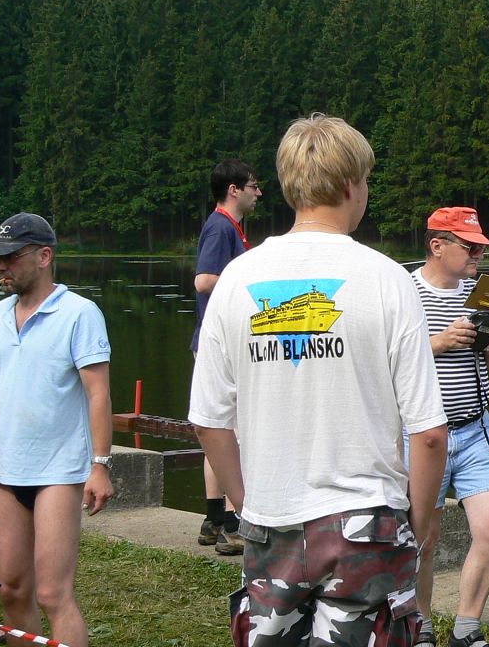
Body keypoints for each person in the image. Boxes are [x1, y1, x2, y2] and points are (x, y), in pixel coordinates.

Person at [189, 113, 448, 647]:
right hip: (368, 523)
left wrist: (248, 504)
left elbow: (209, 421)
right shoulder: (388, 279)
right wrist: (416, 529)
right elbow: (428, 433)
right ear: (351, 184)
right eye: (367, 180)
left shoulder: (237, 279)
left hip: (270, 519)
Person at [0, 213, 113, 647]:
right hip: (8, 472)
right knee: (12, 590)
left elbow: (98, 394)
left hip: (58, 472)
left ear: (44, 256)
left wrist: (100, 465)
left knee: (53, 594)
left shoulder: (79, 313)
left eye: (10, 257)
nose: (1, 267)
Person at [409, 207, 489, 647]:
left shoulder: (483, 295)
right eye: (470, 248)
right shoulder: (405, 292)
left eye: (481, 249)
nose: (478, 256)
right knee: (424, 539)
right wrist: (439, 342)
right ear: (437, 245)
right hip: (423, 435)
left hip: (476, 431)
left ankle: (466, 629)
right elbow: (385, 360)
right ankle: (420, 624)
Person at [191, 158, 261, 555]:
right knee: (233, 434)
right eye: (253, 185)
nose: (258, 192)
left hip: (215, 343)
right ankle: (233, 525)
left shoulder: (228, 227)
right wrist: (249, 279)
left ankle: (214, 519)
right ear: (233, 190)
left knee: (218, 428)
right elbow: (203, 281)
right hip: (217, 344)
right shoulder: (220, 226)